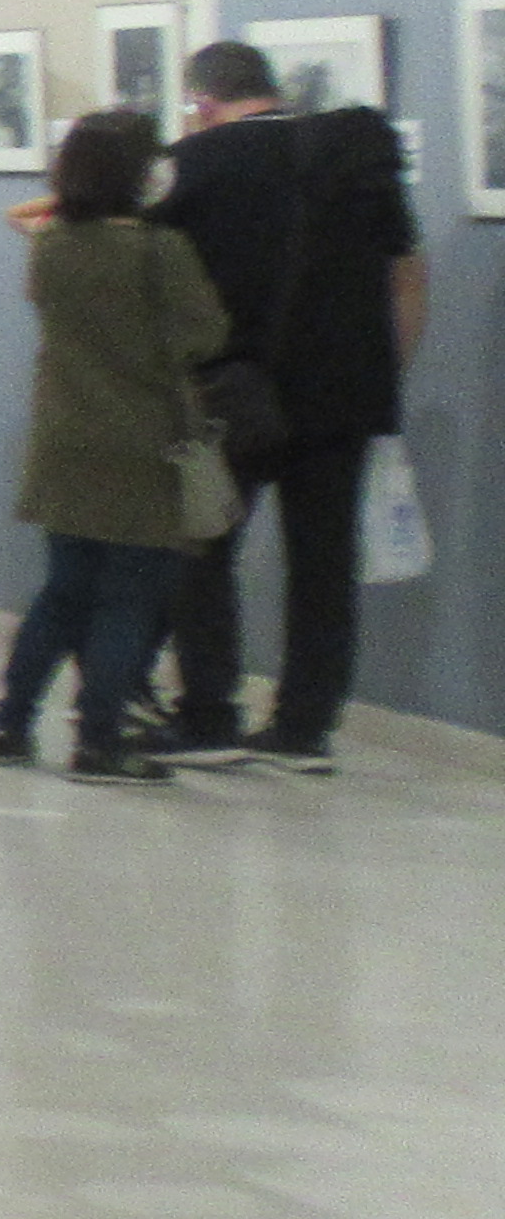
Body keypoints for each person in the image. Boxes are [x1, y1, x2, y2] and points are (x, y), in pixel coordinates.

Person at [145, 45, 431, 770]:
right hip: (343, 396)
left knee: (197, 548)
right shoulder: (357, 157)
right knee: (324, 564)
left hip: (224, 395)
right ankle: (304, 729)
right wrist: (381, 377)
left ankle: (209, 715)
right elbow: (408, 279)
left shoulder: (191, 164)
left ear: (203, 102)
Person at [0, 106, 229, 785]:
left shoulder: (51, 246)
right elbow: (204, 334)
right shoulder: (160, 250)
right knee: (127, 600)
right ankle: (98, 738)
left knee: (62, 592)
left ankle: (9, 724)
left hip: (64, 438)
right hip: (142, 442)